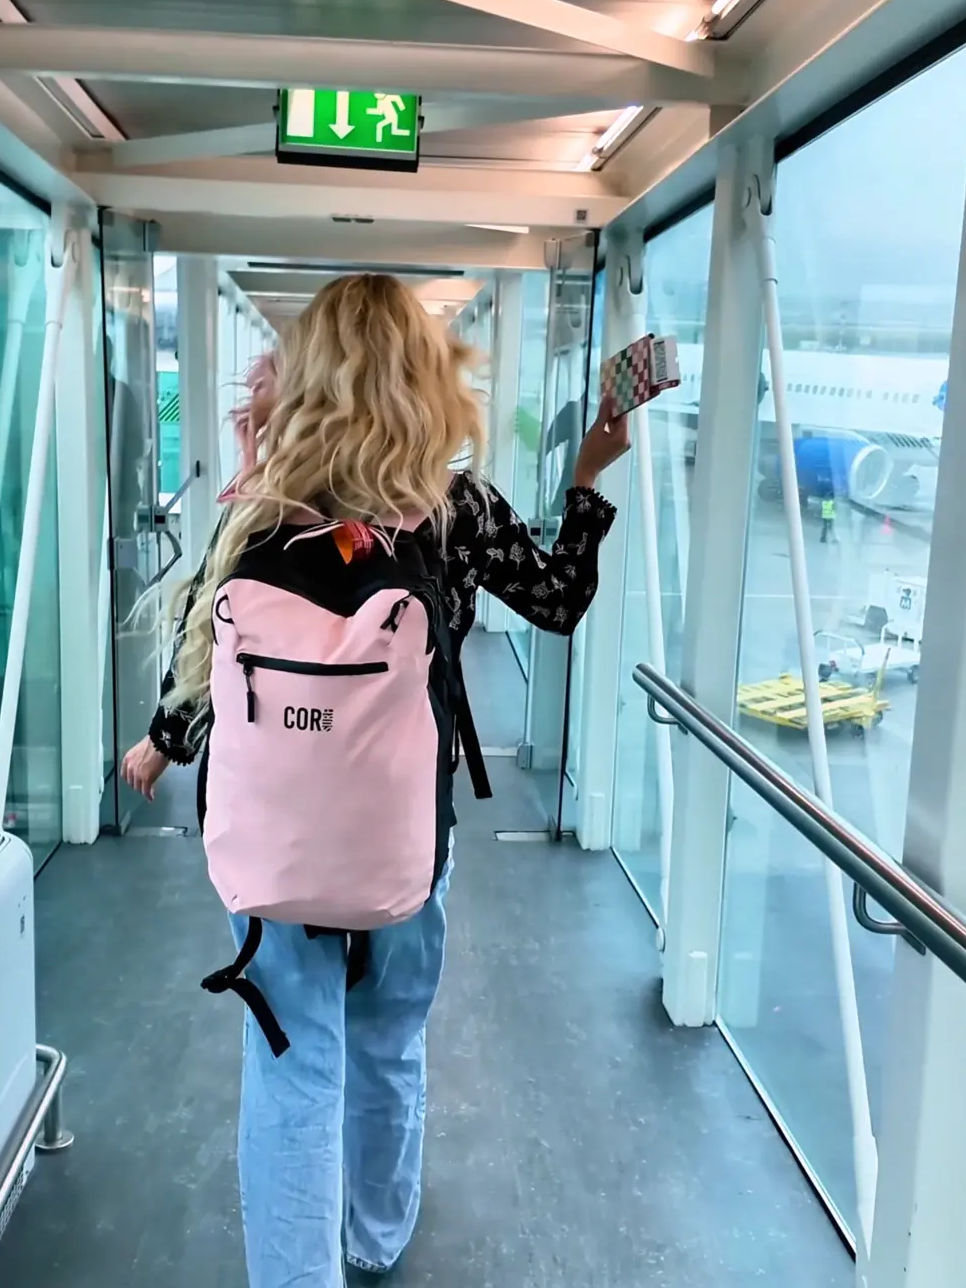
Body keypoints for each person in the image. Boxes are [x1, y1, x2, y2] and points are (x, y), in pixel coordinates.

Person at [121, 274, 628, 1288]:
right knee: (389, 1041)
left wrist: (162, 745)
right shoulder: (453, 507)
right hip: (404, 838)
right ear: (424, 380)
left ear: (309, 376)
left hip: (270, 845)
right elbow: (561, 600)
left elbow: (204, 655)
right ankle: (376, 1238)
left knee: (289, 1063)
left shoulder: (263, 510)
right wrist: (587, 474)